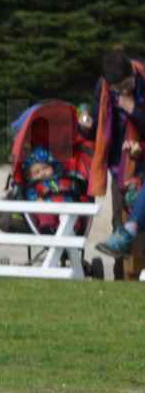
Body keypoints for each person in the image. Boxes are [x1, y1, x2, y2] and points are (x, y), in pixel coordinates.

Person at [84, 50, 145, 256]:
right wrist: (87, 126)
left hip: (141, 157)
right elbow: (97, 130)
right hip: (119, 164)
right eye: (118, 90)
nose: (123, 92)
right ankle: (121, 279)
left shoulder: (143, 77)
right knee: (119, 219)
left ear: (132, 74)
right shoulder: (103, 88)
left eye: (127, 86)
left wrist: (133, 109)